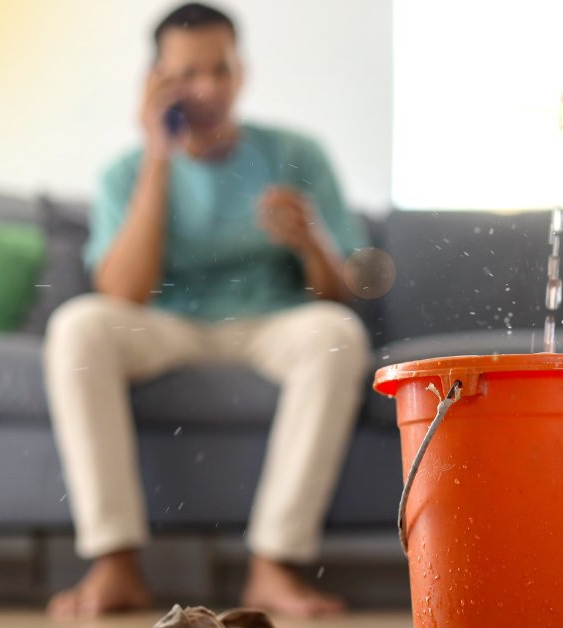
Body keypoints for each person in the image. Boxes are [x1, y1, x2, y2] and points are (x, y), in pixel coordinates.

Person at [43, 2, 370, 619]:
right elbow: (122, 293)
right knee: (77, 326)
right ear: (157, 80)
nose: (209, 88)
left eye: (220, 70)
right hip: (166, 324)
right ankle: (115, 563)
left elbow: (339, 292)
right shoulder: (126, 172)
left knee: (338, 335)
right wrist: (158, 156)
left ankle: (273, 567)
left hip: (272, 322)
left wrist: (310, 242)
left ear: (241, 71)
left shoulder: (298, 154)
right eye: (189, 74)